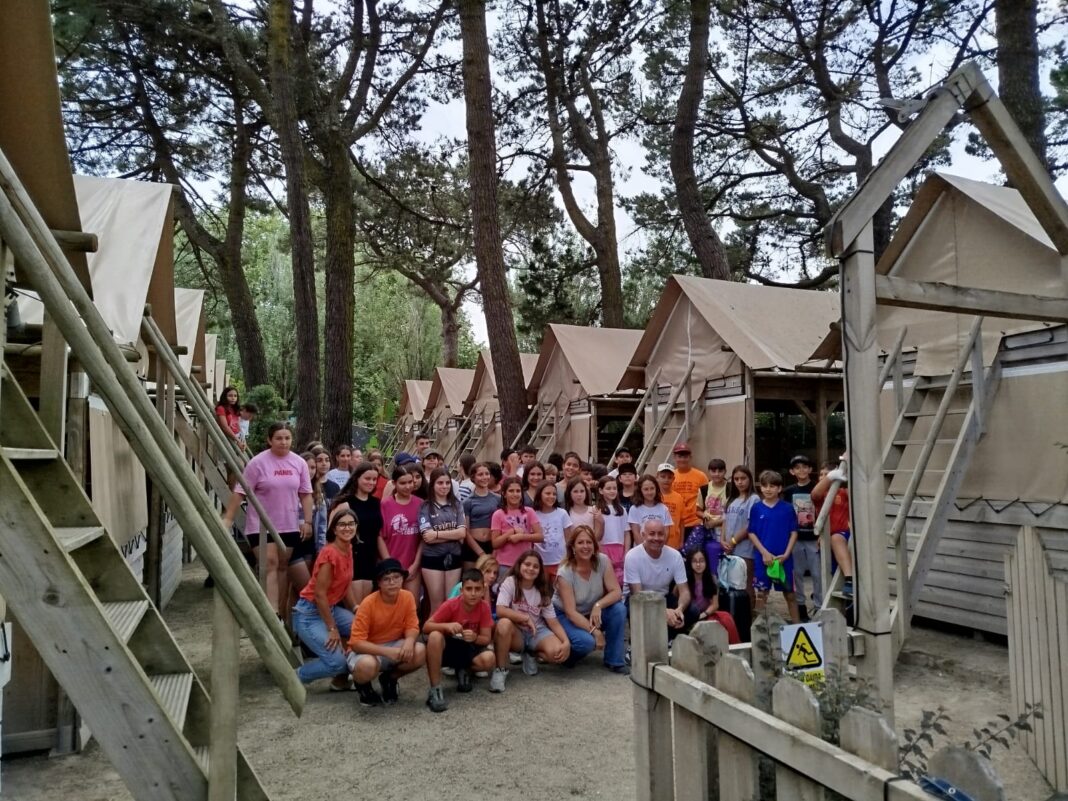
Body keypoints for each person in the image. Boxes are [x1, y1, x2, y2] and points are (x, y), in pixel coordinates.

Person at [223, 422, 312, 615]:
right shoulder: (257, 463)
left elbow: (306, 494)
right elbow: (240, 492)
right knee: (269, 564)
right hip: (261, 524)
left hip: (288, 524)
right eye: (279, 438)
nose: (283, 442)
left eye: (287, 438)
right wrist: (228, 519)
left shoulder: (299, 463)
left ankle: (280, 613)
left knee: (282, 566)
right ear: (270, 440)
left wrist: (307, 521)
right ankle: (271, 612)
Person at [292, 510, 358, 690]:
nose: (347, 528)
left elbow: (345, 583)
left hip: (331, 608)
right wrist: (332, 628)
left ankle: (340, 681)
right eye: (342, 524)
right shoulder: (329, 553)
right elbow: (319, 594)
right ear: (334, 529)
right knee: (336, 663)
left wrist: (355, 608)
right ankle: (295, 677)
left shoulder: (348, 548)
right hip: (309, 614)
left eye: (351, 524)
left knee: (363, 629)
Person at [347, 559, 427, 706]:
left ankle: (389, 678)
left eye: (396, 577)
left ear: (402, 579)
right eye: (386, 579)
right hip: (367, 650)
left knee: (420, 651)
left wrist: (409, 641)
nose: (392, 582)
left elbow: (413, 626)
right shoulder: (368, 603)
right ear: (379, 583)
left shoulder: (407, 596)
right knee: (367, 665)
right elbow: (356, 643)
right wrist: (387, 652)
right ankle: (363, 686)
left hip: (393, 645)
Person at [490, 550, 570, 692]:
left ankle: (531, 653)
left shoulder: (542, 589)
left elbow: (553, 622)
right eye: (527, 564)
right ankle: (500, 670)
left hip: (536, 632)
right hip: (516, 632)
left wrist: (566, 642)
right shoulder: (511, 582)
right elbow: (501, 610)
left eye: (535, 566)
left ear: (540, 570)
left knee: (558, 653)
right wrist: (525, 618)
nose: (531, 569)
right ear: (519, 565)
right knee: (503, 624)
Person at [553, 526, 628, 673]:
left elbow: (616, 592)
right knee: (586, 642)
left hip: (591, 610)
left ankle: (614, 660)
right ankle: (568, 656)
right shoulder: (565, 572)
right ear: (573, 547)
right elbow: (570, 612)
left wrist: (598, 605)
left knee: (619, 609)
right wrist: (596, 632)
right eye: (580, 542)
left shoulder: (603, 561)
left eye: (589, 542)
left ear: (594, 545)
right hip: (565, 615)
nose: (585, 546)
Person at [423, 568, 497, 711]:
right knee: (434, 636)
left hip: (469, 648)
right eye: (469, 589)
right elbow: (426, 627)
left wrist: (475, 637)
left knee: (489, 659)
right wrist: (447, 626)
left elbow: (486, 639)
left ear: (483, 591)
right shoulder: (451, 604)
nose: (473, 593)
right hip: (448, 648)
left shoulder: (484, 607)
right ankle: (435, 688)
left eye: (477, 589)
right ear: (461, 590)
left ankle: (463, 670)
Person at [330, 461, 390, 604]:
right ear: (357, 478)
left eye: (374, 479)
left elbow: (377, 534)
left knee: (367, 605)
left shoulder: (376, 503)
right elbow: (331, 535)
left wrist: (388, 560)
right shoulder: (345, 503)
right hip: (350, 557)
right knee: (354, 606)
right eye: (367, 479)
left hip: (370, 558)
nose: (371, 482)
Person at [748, 470, 801, 623]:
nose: (768, 489)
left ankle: (797, 626)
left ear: (779, 488)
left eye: (772, 486)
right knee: (761, 594)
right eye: (765, 486)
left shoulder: (788, 508)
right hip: (763, 559)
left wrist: (786, 554)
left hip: (784, 560)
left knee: (790, 594)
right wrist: (764, 553)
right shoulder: (756, 508)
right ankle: (758, 628)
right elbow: (752, 533)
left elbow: (794, 532)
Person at [624, 519, 689, 636]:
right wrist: (663, 612)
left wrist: (679, 610)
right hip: (639, 600)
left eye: (660, 534)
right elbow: (637, 594)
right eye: (652, 534)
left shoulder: (675, 556)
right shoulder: (632, 556)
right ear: (643, 535)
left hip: (663, 597)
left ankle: (671, 637)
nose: (656, 538)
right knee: (636, 610)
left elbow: (685, 591)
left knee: (692, 611)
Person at [419, 467, 467, 614]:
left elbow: (462, 533)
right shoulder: (425, 506)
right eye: (440, 483)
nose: (444, 486)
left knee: (451, 601)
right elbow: (427, 537)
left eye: (447, 483)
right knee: (437, 604)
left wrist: (437, 534)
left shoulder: (457, 504)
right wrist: (452, 535)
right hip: (432, 558)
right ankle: (433, 629)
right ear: (432, 485)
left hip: (454, 556)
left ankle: (448, 629)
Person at [783, 455, 819, 620]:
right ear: (792, 471)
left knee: (817, 573)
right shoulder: (789, 491)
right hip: (796, 538)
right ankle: (801, 606)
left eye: (805, 467)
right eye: (797, 468)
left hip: (814, 537)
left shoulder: (816, 488)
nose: (801, 470)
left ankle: (819, 605)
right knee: (796, 573)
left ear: (810, 469)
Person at [380, 466, 424, 601]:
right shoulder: (385, 504)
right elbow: (380, 537)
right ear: (394, 483)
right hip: (391, 563)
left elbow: (423, 538)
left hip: (412, 565)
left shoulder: (420, 504)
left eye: (410, 482)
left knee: (412, 603)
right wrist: (389, 563)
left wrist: (415, 565)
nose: (408, 486)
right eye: (403, 483)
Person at [812, 460, 853, 598]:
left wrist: (846, 472)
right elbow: (815, 494)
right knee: (829, 576)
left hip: (843, 535)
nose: (823, 477)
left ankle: (850, 580)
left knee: (836, 538)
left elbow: (855, 497)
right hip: (826, 540)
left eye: (827, 474)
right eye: (821, 474)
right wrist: (830, 477)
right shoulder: (821, 496)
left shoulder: (842, 492)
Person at [721, 465, 760, 606]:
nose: (739, 482)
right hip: (728, 548)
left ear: (750, 479)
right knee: (731, 582)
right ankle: (734, 612)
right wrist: (722, 540)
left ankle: (748, 614)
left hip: (745, 548)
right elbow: (724, 521)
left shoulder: (753, 499)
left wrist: (733, 541)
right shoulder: (731, 499)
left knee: (746, 583)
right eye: (736, 479)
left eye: (743, 478)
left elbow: (750, 525)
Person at [491, 476, 543, 577]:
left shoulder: (529, 512)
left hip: (526, 563)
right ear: (504, 494)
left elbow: (540, 536)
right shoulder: (498, 514)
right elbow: (495, 543)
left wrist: (521, 537)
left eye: (518, 491)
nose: (515, 494)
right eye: (511, 491)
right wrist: (511, 532)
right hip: (505, 564)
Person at [530, 480, 571, 581]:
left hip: (560, 562)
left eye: (554, 494)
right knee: (543, 588)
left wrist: (569, 558)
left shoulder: (562, 513)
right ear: (539, 494)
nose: (551, 496)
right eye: (547, 493)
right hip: (540, 562)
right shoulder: (533, 514)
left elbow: (568, 539)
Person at [462, 462, 499, 569]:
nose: (484, 477)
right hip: (472, 547)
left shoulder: (497, 499)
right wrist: (481, 553)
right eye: (480, 474)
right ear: (473, 477)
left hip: (491, 545)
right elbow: (466, 531)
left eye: (487, 474)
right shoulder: (467, 502)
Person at [596, 475, 629, 586]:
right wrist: (601, 551)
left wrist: (626, 551)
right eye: (608, 488)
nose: (612, 491)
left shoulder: (622, 510)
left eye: (614, 488)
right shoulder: (596, 510)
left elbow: (626, 533)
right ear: (601, 490)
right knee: (606, 579)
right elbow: (596, 534)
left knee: (620, 579)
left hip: (620, 549)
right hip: (604, 548)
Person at [670, 443, 708, 539]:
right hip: (676, 523)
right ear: (674, 457)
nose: (682, 459)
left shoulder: (701, 476)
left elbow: (707, 500)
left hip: (695, 523)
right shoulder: (670, 477)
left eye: (685, 456)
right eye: (680, 456)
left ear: (690, 457)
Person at [627, 474, 673, 547]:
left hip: (659, 548)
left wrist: (658, 547)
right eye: (646, 489)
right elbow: (636, 533)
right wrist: (645, 549)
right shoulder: (634, 509)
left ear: (656, 489)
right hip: (641, 549)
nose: (649, 492)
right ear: (640, 491)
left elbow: (666, 532)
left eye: (652, 488)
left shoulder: (664, 508)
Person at [683, 549, 718, 630]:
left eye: (701, 561)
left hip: (706, 615)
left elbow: (715, 605)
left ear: (706, 562)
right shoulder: (684, 580)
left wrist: (702, 616)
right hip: (688, 616)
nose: (698, 564)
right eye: (694, 561)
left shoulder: (712, 578)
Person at [564, 476, 603, 543]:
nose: (579, 494)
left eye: (582, 491)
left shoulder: (593, 510)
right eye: (575, 491)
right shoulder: (566, 513)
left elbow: (598, 537)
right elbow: (567, 539)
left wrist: (601, 522)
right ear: (569, 493)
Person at [656, 463, 685, 550]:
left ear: (673, 479)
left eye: (669, 477)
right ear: (657, 477)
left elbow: (681, 522)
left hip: (674, 542)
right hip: (656, 539)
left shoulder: (678, 497)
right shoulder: (653, 496)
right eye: (663, 477)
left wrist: (681, 541)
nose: (666, 480)